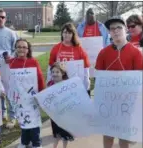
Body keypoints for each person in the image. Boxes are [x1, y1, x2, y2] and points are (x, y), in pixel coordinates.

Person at [96, 16, 143, 148]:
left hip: (127, 102)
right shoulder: (103, 53)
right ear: (109, 32)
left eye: (119, 28)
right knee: (108, 132)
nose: (115, 31)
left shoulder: (136, 53)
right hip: (109, 102)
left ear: (125, 30)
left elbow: (139, 77)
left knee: (124, 134)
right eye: (112, 29)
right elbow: (99, 78)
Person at [7, 38, 45, 148]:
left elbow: (40, 78)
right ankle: (24, 141)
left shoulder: (33, 61)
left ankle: (36, 143)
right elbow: (9, 80)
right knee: (22, 119)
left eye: (24, 47)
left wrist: (41, 94)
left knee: (34, 121)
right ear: (15, 48)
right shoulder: (12, 63)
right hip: (19, 98)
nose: (21, 49)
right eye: (19, 47)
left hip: (32, 97)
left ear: (28, 50)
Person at [47, 22, 91, 95]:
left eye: (69, 33)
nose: (67, 35)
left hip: (75, 86)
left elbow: (86, 71)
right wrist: (48, 84)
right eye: (65, 32)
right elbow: (50, 69)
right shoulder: (56, 48)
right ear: (62, 34)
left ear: (73, 34)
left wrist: (86, 87)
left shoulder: (79, 49)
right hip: (59, 86)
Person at [47, 62, 74, 148]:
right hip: (54, 114)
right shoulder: (50, 84)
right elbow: (47, 97)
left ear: (62, 73)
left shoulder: (66, 84)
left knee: (64, 134)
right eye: (53, 72)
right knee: (56, 133)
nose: (55, 74)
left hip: (65, 114)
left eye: (57, 72)